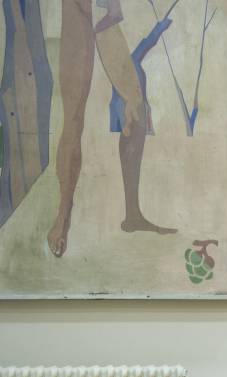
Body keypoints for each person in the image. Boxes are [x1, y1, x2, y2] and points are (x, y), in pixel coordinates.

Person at [48, 0, 177, 257]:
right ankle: (64, 213)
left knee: (136, 111)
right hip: (80, 11)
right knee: (73, 117)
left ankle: (133, 215)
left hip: (105, 14)